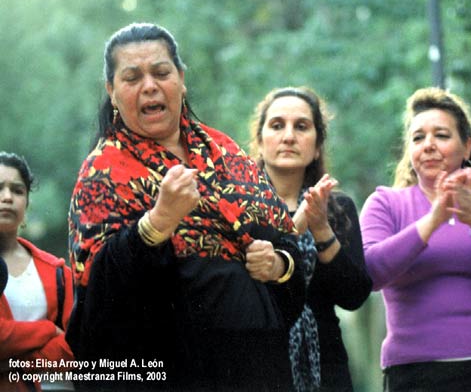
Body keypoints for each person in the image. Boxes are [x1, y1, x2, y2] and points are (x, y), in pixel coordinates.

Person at [66, 23, 305, 391]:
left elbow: (286, 246)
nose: (150, 86)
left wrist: (278, 265)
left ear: (181, 78)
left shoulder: (226, 151)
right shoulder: (102, 173)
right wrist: (157, 223)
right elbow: (98, 295)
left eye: (161, 73)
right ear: (111, 92)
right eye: (132, 78)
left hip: (256, 365)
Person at [359, 87, 471, 391]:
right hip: (414, 374)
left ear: (466, 147)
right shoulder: (385, 203)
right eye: (418, 138)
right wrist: (433, 220)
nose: (428, 145)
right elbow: (371, 273)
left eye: (441, 135)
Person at [249, 86, 372, 391]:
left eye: (301, 126)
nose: (289, 136)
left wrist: (321, 229)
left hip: (326, 368)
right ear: (261, 143)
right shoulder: (239, 209)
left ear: (317, 146)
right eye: (277, 125)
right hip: (256, 364)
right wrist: (296, 225)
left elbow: (354, 296)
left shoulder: (337, 208)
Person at [0, 152, 75, 392]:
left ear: (28, 203)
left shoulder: (57, 273)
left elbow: (74, 346)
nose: (7, 198)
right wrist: (47, 330)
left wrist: (15, 366)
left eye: (18, 190)